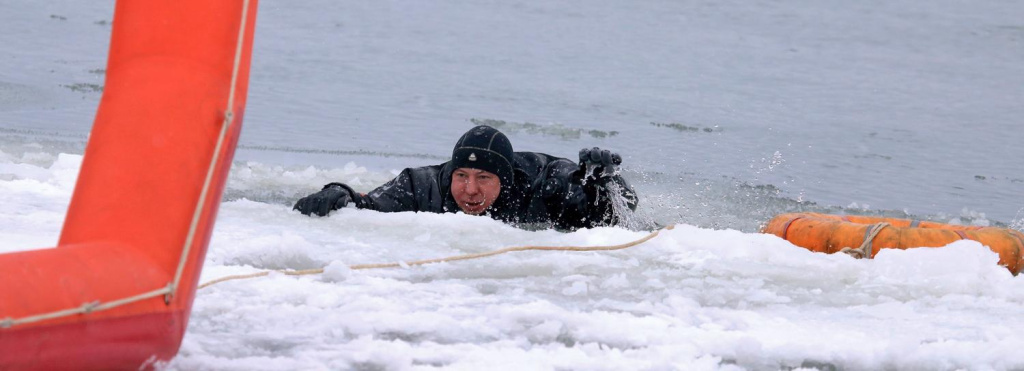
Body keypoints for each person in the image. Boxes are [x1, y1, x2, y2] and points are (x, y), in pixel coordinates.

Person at [293, 125, 637, 230]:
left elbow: (613, 219)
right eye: (461, 175)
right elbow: (367, 205)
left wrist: (606, 183)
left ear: (505, 179)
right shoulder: (422, 184)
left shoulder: (548, 181)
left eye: (484, 177)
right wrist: (338, 191)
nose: (470, 190)